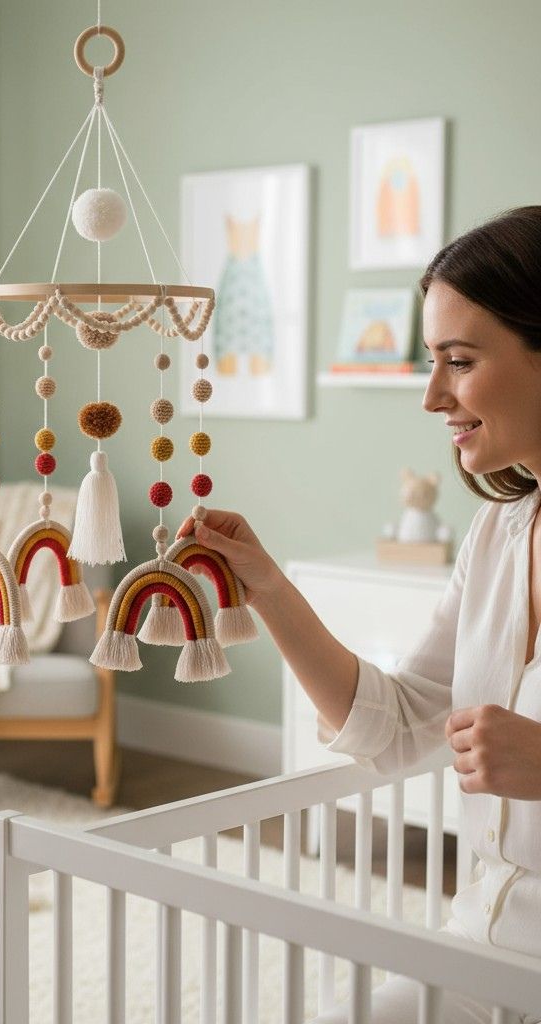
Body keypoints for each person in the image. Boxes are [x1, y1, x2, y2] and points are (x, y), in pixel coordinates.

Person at [178, 206, 541, 1024]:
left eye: (459, 360)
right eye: (431, 361)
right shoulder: (498, 535)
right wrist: (267, 586)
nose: (433, 396)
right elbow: (399, 725)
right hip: (479, 949)